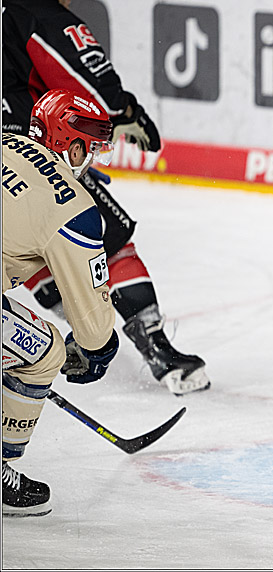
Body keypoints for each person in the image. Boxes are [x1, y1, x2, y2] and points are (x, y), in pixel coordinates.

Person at [3, 0, 209, 395]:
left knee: (24, 246)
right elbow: (96, 87)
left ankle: (48, 332)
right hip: (29, 153)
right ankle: (155, 351)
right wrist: (127, 113)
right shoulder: (44, 18)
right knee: (107, 240)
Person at [3, 90, 121, 517]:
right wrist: (98, 350)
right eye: (90, 149)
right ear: (71, 146)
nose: (90, 160)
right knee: (45, 350)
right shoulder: (72, 206)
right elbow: (93, 327)